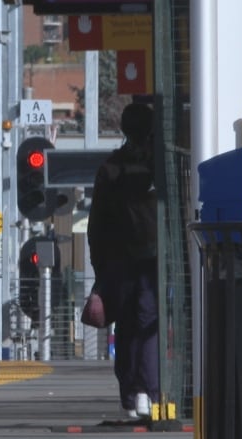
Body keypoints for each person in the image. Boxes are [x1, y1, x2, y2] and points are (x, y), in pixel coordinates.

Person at [87, 102, 159, 419]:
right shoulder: (159, 168)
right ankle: (147, 392)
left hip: (117, 264)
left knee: (127, 326)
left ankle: (130, 395)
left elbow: (96, 225)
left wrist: (100, 267)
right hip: (152, 261)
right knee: (148, 324)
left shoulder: (109, 169)